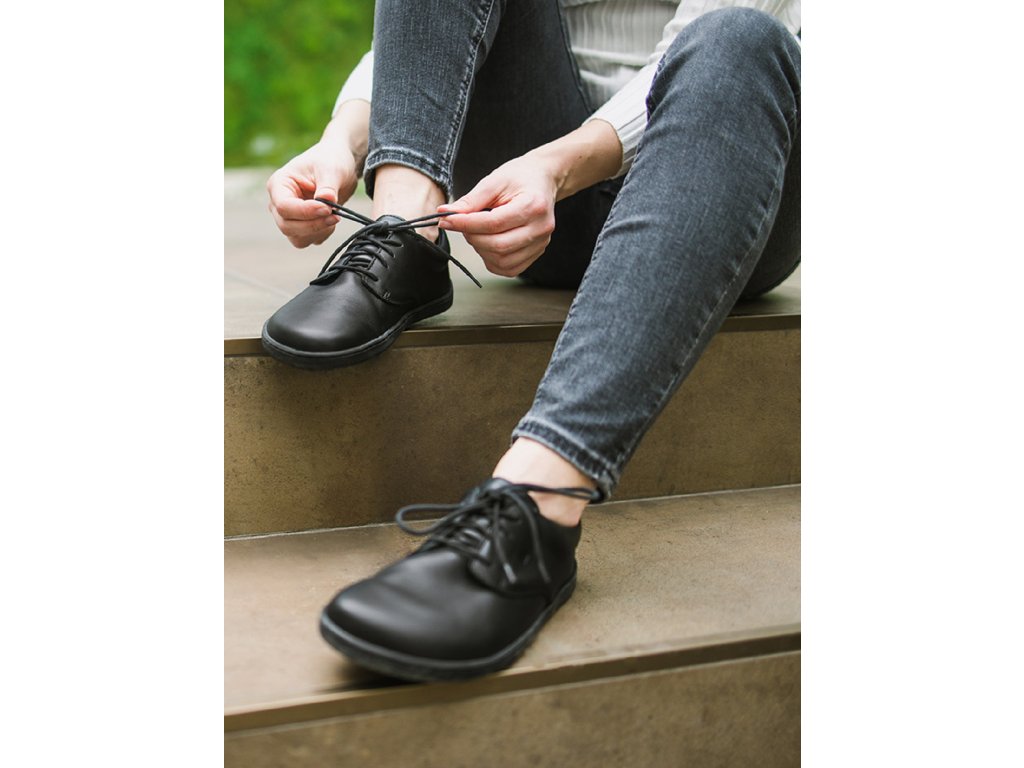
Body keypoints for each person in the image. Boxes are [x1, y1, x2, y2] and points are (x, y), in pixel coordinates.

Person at [264, 0, 801, 682]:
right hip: (533, 193)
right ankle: (404, 233)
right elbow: (447, 33)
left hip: (730, 175)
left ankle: (539, 503)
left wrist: (557, 165)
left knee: (737, 38)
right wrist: (345, 139)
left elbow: (723, 42)